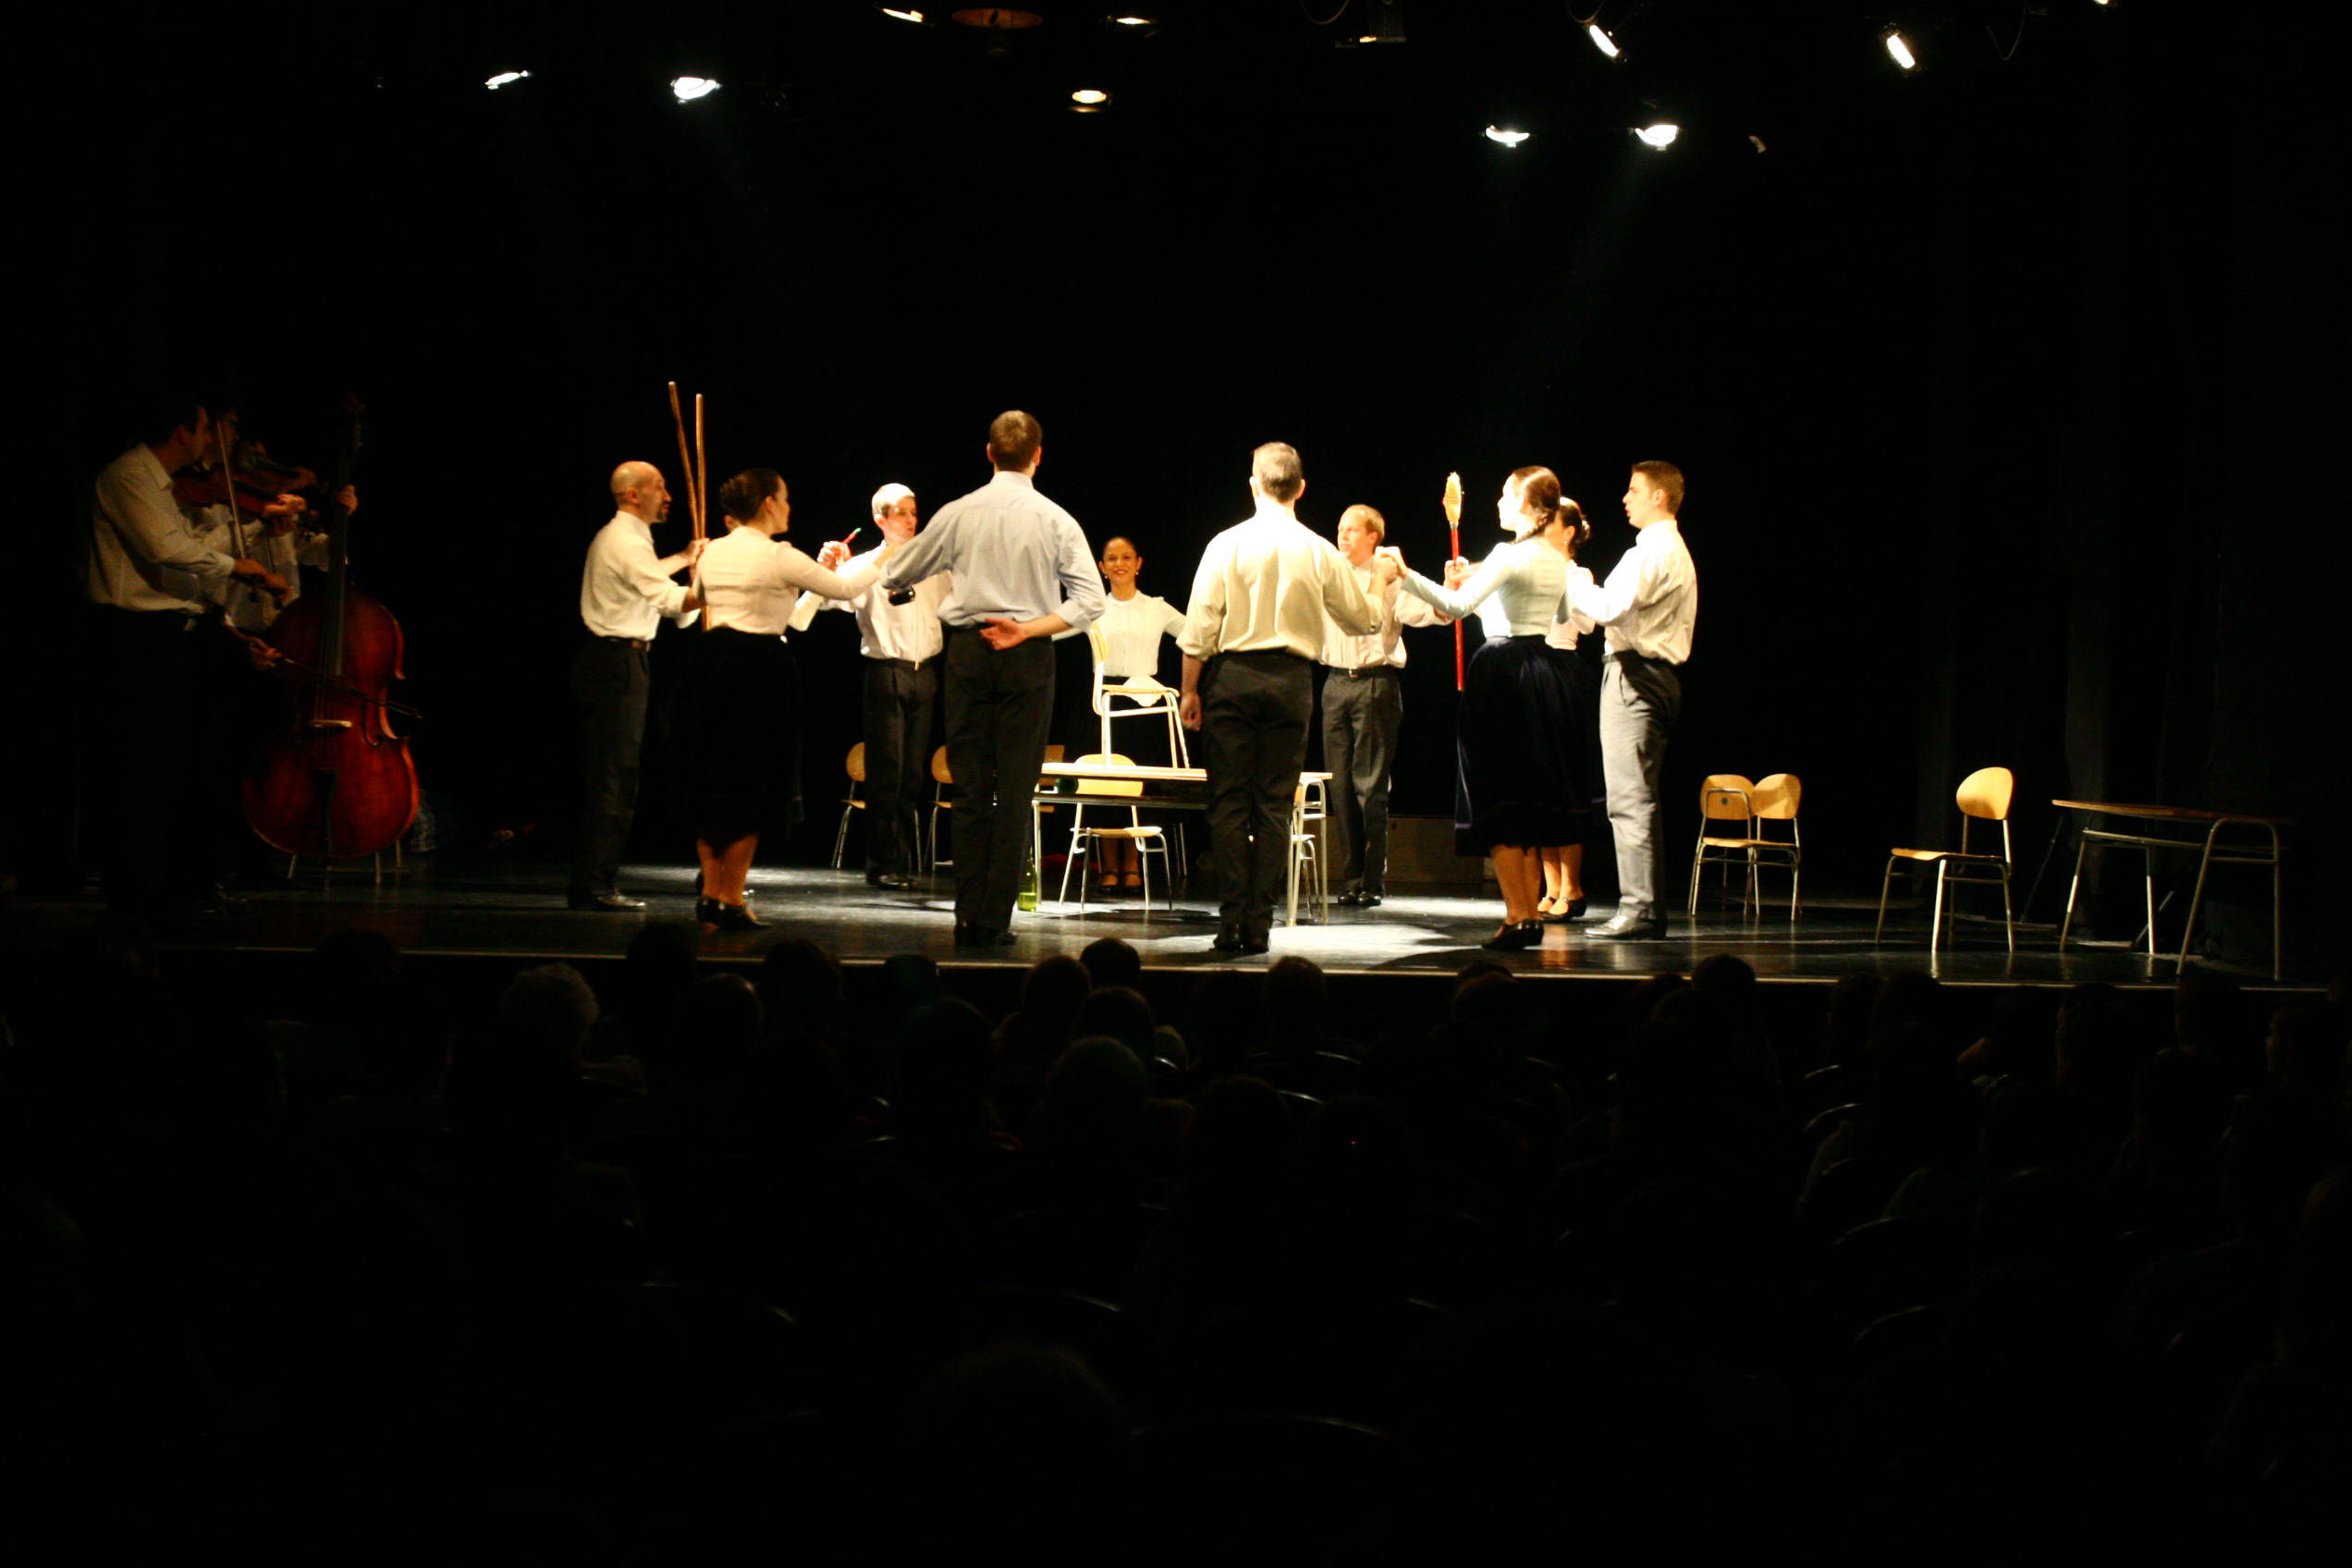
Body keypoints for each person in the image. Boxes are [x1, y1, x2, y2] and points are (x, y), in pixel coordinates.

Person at [876, 410, 1104, 947]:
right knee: (1016, 790)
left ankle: (967, 916)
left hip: (970, 651)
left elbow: (895, 573)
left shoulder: (958, 513)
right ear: (1038, 456)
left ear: (989, 453)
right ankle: (995, 920)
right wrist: (1026, 629)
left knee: (972, 789)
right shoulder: (1056, 519)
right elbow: (1090, 602)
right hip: (1027, 654)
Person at [84, 389, 289, 921]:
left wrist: (254, 532)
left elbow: (191, 557)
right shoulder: (128, 476)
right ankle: (135, 899)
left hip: (178, 634)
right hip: (139, 637)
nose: (211, 441)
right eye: (204, 429)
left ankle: (178, 888)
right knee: (146, 773)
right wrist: (241, 569)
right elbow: (166, 550)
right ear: (183, 432)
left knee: (189, 770)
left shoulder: (165, 486)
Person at [1178, 442, 1380, 955]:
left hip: (1233, 679)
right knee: (1272, 807)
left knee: (1229, 805)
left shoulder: (1226, 544)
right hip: (1290, 683)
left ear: (1254, 485)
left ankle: (1231, 922)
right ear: (1301, 488)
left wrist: (1189, 689)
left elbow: (1200, 626)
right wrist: (1378, 579)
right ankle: (1259, 925)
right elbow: (1363, 619)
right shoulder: (1319, 550)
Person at [1380, 466, 1595, 950]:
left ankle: (1519, 914)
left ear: (1529, 506)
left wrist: (1405, 574)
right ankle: (1527, 915)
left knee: (1498, 794)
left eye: (1505, 495)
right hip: (1545, 669)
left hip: (1504, 669)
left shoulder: (1508, 553)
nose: (1498, 502)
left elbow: (1456, 607)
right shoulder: (1556, 559)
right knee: (1528, 798)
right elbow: (1562, 614)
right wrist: (1496, 590)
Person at [686, 468, 893, 930]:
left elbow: (699, 596)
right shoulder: (779, 554)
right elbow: (844, 589)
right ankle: (730, 896)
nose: (789, 507)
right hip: (758, 668)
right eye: (784, 499)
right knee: (753, 784)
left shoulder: (714, 552)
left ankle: (711, 895)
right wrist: (888, 553)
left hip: (709, 665)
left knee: (713, 781)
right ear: (767, 503)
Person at [1562, 459, 1698, 940]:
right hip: (1650, 675)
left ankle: (1640, 908)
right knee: (1636, 797)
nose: (1626, 497)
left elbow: (1608, 608)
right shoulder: (1665, 549)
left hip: (1637, 675)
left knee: (1629, 799)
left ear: (1658, 496)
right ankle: (1644, 907)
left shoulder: (1654, 551)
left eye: (1634, 489)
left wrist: (1570, 578)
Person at [793, 483, 950, 891]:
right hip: (887, 671)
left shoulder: (934, 563)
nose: (911, 520)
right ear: (880, 519)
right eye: (901, 512)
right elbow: (820, 601)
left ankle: (903, 860)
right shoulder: (866, 565)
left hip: (924, 672)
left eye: (914, 511)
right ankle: (882, 864)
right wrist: (828, 568)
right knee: (887, 772)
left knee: (912, 774)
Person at [569, 459, 704, 912]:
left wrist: (687, 561)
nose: (668, 496)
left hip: (623, 662)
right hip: (615, 664)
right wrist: (715, 582)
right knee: (613, 778)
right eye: (659, 487)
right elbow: (667, 599)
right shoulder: (624, 541)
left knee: (618, 776)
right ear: (633, 494)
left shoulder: (631, 541)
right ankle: (593, 885)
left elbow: (662, 593)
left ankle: (595, 881)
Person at [1317, 503, 1446, 909]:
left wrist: (1447, 590)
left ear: (1373, 536)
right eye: (1341, 528)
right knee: (1340, 786)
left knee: (1370, 787)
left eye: (1352, 530)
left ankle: (1372, 880)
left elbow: (1431, 612)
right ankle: (1351, 876)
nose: (1343, 536)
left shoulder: (1388, 573)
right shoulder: (1328, 572)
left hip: (1375, 683)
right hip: (1335, 683)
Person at [1072, 533, 1187, 887]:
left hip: (1144, 704)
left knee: (1140, 783)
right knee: (1106, 783)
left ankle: (1134, 865)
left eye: (1126, 557)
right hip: (1103, 701)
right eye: (1112, 558)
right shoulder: (1092, 607)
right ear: (1102, 567)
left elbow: (1195, 634)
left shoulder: (1156, 607)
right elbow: (1051, 629)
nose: (1119, 564)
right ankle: (1108, 865)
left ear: (1138, 563)